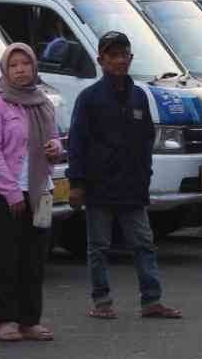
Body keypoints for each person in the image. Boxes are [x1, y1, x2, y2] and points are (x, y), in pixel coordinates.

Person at [68, 31, 183, 320]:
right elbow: (77, 143)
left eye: (124, 55)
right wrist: (76, 184)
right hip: (99, 186)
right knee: (98, 247)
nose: (120, 61)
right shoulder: (89, 98)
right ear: (101, 60)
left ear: (130, 58)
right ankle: (102, 301)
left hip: (132, 185)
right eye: (113, 55)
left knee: (144, 244)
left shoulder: (138, 96)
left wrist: (145, 174)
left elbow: (146, 138)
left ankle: (152, 300)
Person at [0, 42, 63, 342]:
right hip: (3, 195)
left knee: (35, 258)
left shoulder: (44, 103)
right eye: (13, 65)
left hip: (42, 192)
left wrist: (56, 148)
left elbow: (55, 139)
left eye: (25, 64)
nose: (20, 70)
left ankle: (30, 320)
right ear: (5, 69)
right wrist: (12, 191)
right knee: (3, 258)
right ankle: (4, 321)